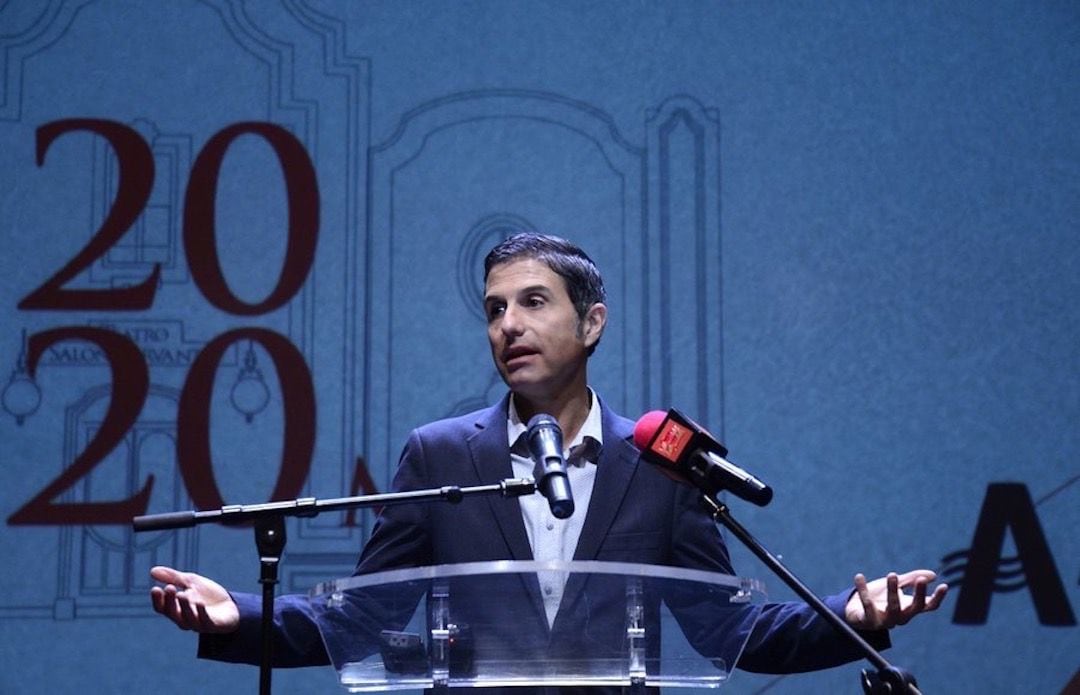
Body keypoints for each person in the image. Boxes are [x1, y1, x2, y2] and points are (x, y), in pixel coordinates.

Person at [151, 233, 947, 681]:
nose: (508, 325)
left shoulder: (661, 464)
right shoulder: (438, 455)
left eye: (533, 302)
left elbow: (728, 632)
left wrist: (853, 616)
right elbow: (363, 613)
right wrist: (239, 616)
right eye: (494, 309)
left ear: (592, 322)